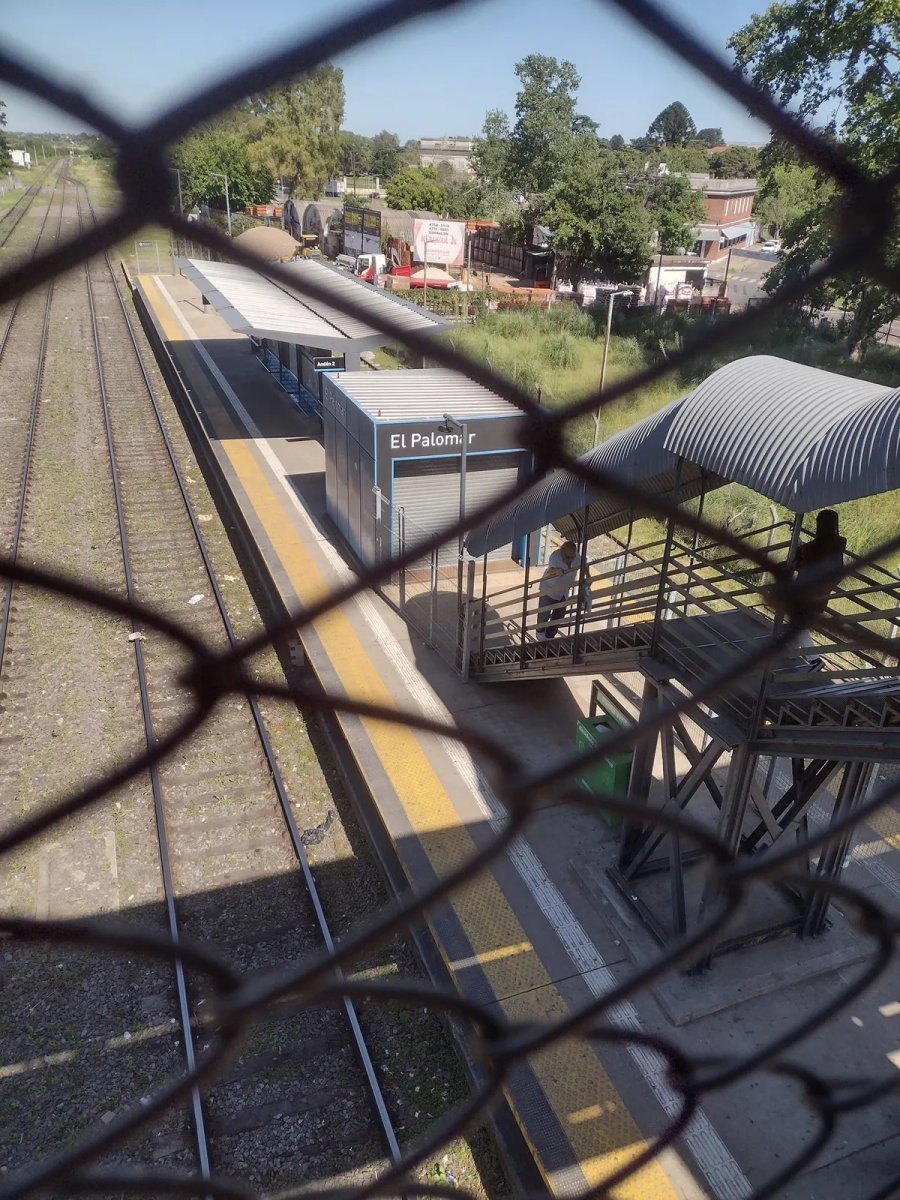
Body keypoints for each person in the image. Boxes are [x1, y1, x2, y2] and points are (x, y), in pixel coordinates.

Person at [792, 509, 846, 667]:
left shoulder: (812, 547)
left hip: (805, 590)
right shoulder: (840, 543)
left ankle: (814, 659)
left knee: (798, 624)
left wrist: (799, 547)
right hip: (822, 592)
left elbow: (801, 563)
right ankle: (792, 650)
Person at [537, 541, 582, 640]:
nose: (570, 560)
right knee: (544, 614)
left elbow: (584, 565)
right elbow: (550, 570)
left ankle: (550, 636)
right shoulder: (555, 556)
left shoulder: (577, 558)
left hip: (563, 592)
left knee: (559, 615)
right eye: (567, 557)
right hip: (549, 590)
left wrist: (588, 576)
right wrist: (556, 571)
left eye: (572, 557)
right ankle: (540, 633)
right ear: (561, 552)